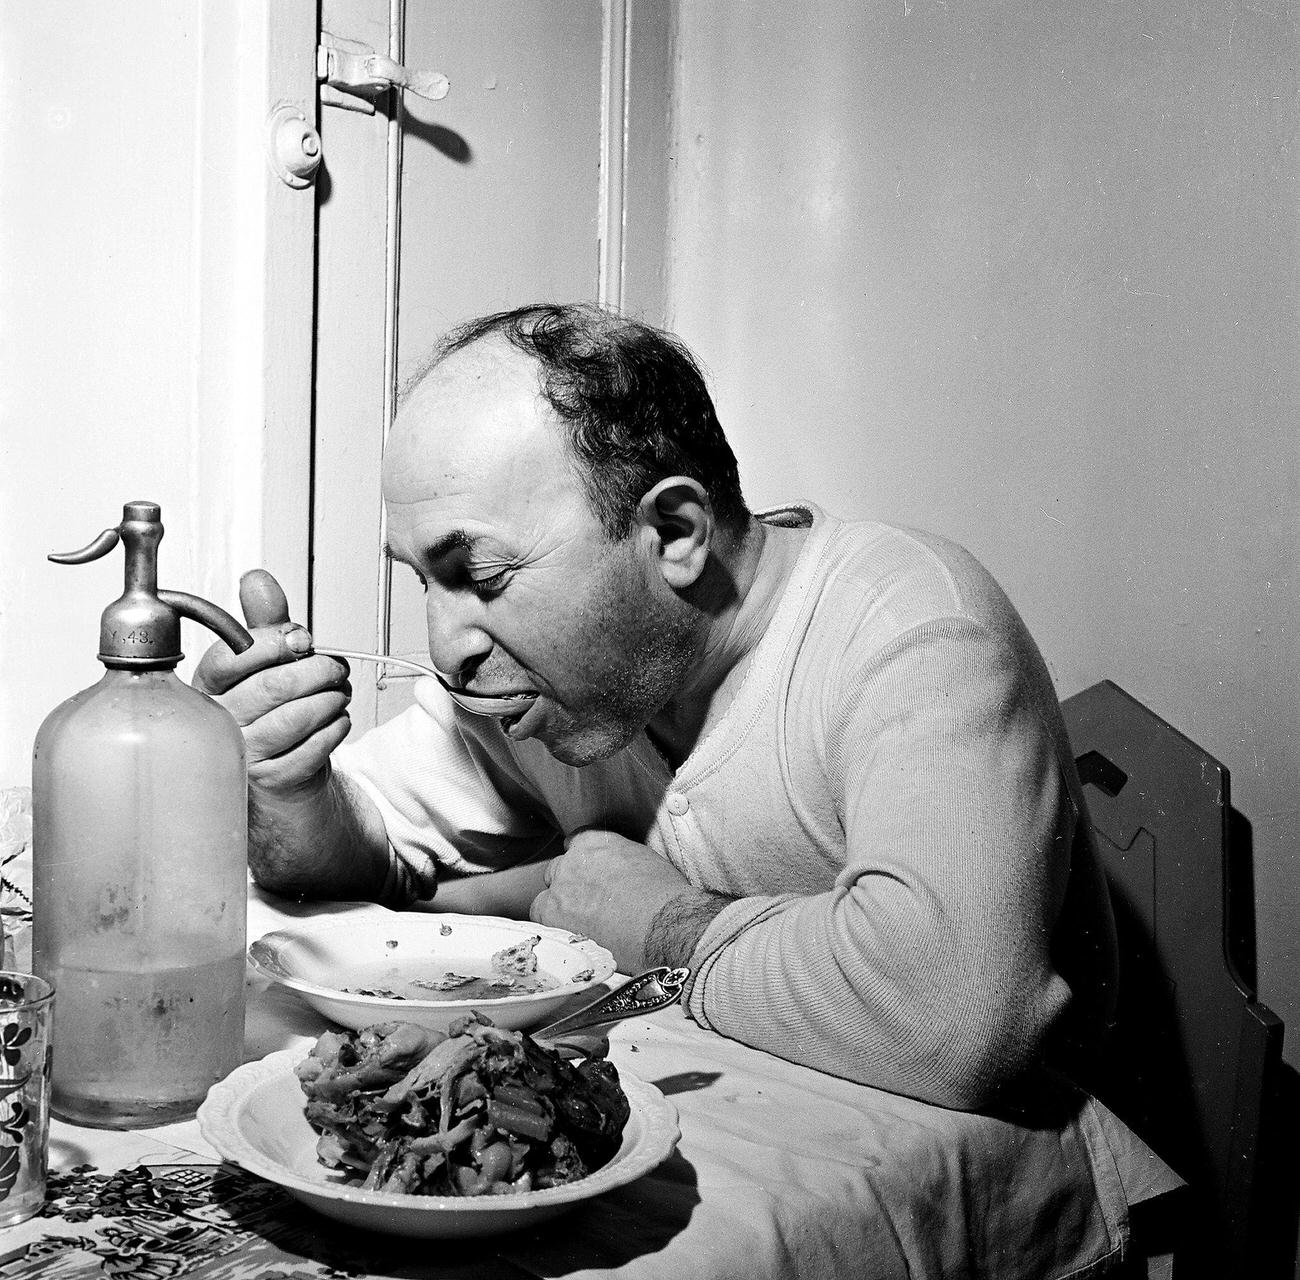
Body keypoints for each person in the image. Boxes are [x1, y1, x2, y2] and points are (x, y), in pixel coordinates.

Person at [195, 302, 1118, 1112]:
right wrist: (287, 786)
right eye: (426, 585)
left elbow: (956, 1020)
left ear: (673, 532)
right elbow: (362, 867)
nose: (447, 649)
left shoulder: (909, 627)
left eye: (478, 576)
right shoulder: (547, 685)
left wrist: (665, 925)